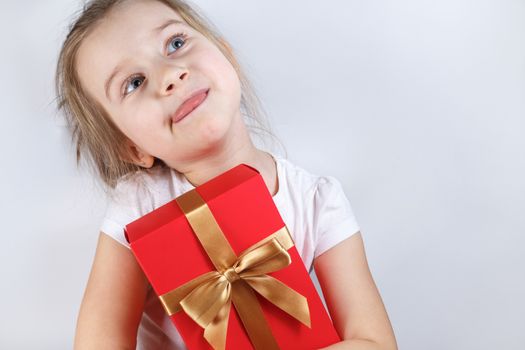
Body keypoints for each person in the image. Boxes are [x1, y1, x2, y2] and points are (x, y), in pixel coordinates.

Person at [55, 0, 398, 349]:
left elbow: (375, 342)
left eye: (175, 43)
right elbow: (100, 340)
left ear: (227, 56)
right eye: (135, 82)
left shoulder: (318, 202)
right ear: (132, 149)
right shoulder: (137, 206)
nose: (169, 75)